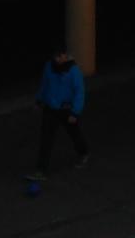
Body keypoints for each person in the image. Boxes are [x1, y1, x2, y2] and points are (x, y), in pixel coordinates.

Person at [32, 47, 88, 176]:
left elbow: (79, 92)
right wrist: (39, 100)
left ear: (65, 55)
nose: (57, 59)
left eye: (60, 56)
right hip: (50, 109)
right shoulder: (49, 66)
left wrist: (75, 112)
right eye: (55, 57)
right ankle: (41, 169)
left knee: (74, 134)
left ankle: (84, 153)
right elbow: (44, 84)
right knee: (46, 138)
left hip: (67, 109)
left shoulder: (74, 71)